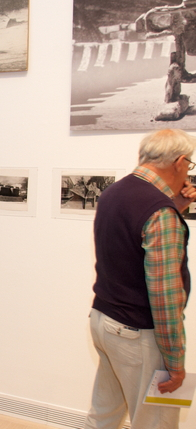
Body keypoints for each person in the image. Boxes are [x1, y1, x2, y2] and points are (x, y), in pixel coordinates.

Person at [84, 129, 195, 429]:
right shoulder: (160, 212)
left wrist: (175, 207)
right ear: (179, 162)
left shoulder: (114, 192)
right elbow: (165, 297)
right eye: (190, 164)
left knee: (103, 416)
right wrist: (175, 362)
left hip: (104, 320)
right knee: (158, 423)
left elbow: (129, 244)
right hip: (139, 334)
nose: (188, 171)